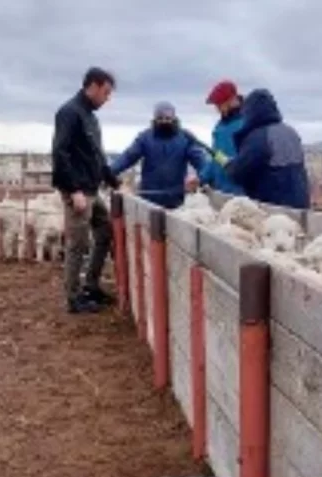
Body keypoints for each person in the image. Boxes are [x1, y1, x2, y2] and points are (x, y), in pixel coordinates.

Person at [52, 66, 119, 314]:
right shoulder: (69, 113)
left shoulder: (90, 116)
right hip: (79, 190)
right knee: (78, 243)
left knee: (105, 230)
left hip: (92, 188)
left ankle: (91, 285)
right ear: (92, 86)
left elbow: (97, 156)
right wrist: (73, 190)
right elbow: (60, 152)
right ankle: (73, 297)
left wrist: (114, 182)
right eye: (106, 92)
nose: (107, 98)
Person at [108, 102, 209, 210]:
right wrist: (110, 171)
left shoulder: (185, 138)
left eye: (168, 117)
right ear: (155, 118)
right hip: (148, 200)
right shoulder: (145, 138)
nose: (164, 121)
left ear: (174, 118)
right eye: (160, 118)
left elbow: (201, 161)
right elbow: (128, 157)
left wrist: (201, 178)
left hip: (177, 201)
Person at [225, 88, 311, 209]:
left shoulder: (259, 137)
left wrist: (229, 166)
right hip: (301, 206)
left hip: (275, 209)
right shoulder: (290, 132)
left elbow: (239, 172)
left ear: (251, 111)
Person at [197, 80, 245, 195]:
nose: (217, 109)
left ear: (232, 100)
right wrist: (201, 178)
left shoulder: (247, 124)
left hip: (242, 194)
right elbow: (216, 157)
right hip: (221, 192)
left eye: (219, 104)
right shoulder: (219, 128)